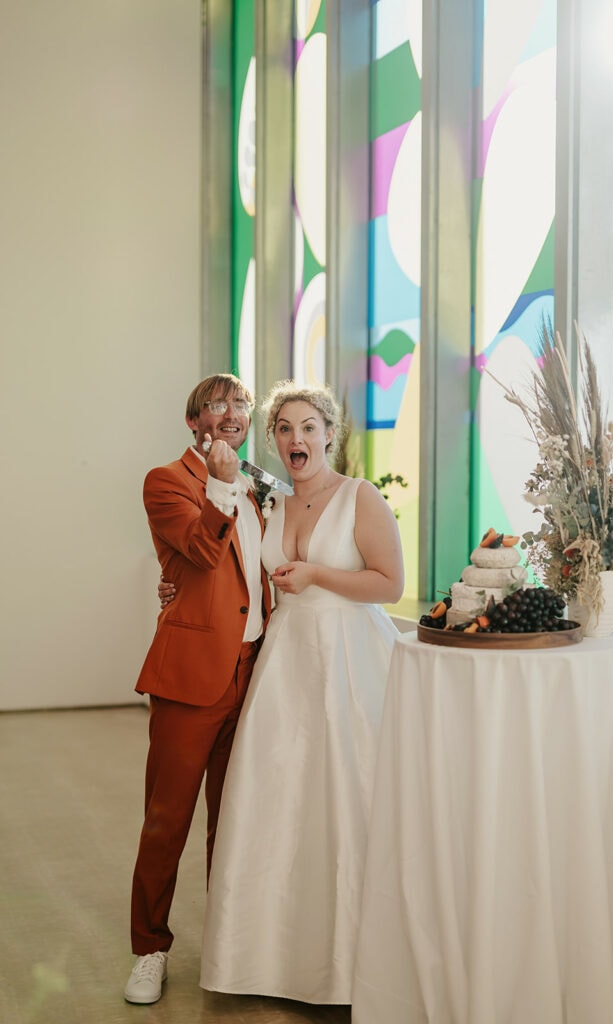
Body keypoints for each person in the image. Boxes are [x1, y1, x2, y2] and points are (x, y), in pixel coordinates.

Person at [198, 380, 404, 1004]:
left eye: (309, 427)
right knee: (280, 798)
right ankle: (273, 959)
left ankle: (353, 964)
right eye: (284, 428)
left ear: (329, 435)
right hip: (286, 663)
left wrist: (317, 574)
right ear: (274, 441)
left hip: (350, 661)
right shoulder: (274, 505)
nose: (297, 438)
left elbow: (391, 585)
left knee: (350, 794)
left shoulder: (361, 498)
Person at [123, 373, 272, 1005]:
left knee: (233, 821)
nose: (233, 411)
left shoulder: (259, 486)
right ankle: (150, 948)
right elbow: (198, 551)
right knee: (167, 819)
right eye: (218, 403)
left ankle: (229, 943)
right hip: (191, 678)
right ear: (195, 421)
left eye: (241, 402)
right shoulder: (167, 481)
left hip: (258, 671)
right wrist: (217, 481)